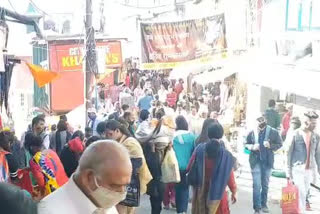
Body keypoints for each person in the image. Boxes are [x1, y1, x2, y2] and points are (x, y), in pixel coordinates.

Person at [38, 140, 132, 214]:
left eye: (125, 186)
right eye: (114, 186)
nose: (121, 195)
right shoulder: (50, 210)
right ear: (89, 177)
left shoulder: (101, 199)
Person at [105, 120, 152, 214]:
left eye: (110, 134)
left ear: (117, 131)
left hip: (130, 181)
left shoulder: (130, 143)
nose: (108, 137)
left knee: (124, 209)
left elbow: (136, 164)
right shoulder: (121, 142)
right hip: (123, 181)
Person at [187, 126, 237, 214]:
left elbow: (189, 167)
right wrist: (233, 191)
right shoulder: (226, 155)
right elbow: (230, 176)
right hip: (218, 195)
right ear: (221, 135)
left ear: (208, 135)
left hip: (200, 192)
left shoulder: (199, 149)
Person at [245, 116, 282, 214]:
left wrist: (270, 146)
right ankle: (257, 208)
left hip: (267, 161)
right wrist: (252, 147)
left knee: (265, 184)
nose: (260, 128)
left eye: (262, 126)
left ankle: (264, 204)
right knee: (257, 185)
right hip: (255, 161)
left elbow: (279, 143)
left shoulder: (273, 132)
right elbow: (245, 144)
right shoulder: (251, 132)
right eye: (258, 125)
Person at [286, 111, 320, 213]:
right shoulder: (295, 134)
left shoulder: (316, 136)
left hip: (309, 170)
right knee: (301, 193)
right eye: (313, 123)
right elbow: (288, 153)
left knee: (305, 194)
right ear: (306, 122)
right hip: (297, 168)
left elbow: (317, 155)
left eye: (315, 123)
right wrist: (288, 172)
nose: (315, 125)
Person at [25, 133, 68, 198]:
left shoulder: (34, 161)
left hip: (54, 193)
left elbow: (41, 183)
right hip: (65, 186)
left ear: (32, 147)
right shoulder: (51, 152)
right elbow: (53, 166)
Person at [173, 116, 196, 214]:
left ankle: (180, 209)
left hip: (175, 167)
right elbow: (194, 152)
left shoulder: (172, 137)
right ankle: (183, 210)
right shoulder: (192, 137)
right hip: (188, 167)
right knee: (185, 189)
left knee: (177, 189)